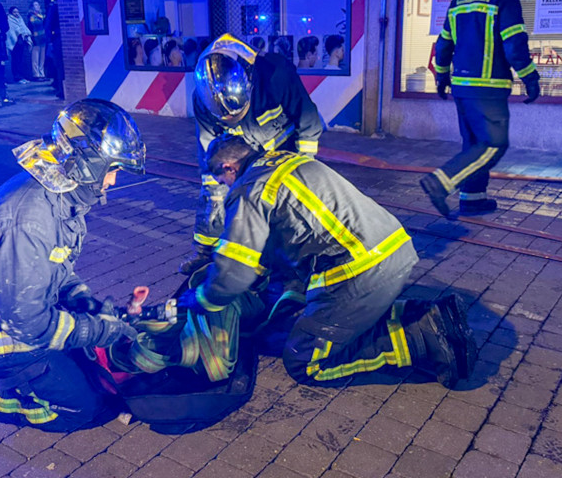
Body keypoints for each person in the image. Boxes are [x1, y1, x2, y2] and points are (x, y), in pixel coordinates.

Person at [176, 135, 476, 387]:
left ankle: (422, 339)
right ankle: (429, 316)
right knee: (329, 311)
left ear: (229, 168)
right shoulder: (285, 160)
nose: (226, 187)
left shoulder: (247, 190)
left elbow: (233, 274)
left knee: (305, 361)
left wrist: (202, 298)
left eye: (222, 180)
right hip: (393, 249)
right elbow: (282, 234)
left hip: (361, 269)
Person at [0, 99, 147, 431]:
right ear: (87, 166)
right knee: (80, 409)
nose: (112, 181)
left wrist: (92, 307)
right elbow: (26, 322)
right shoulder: (32, 218)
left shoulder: (53, 196)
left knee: (82, 369)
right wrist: (97, 330)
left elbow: (55, 272)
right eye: (112, 169)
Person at [179, 33, 323, 275]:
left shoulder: (275, 74)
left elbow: (308, 120)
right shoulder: (203, 99)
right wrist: (214, 183)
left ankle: (292, 263)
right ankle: (205, 252)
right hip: (246, 150)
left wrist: (303, 165)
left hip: (285, 148)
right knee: (215, 192)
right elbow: (208, 146)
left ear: (249, 81)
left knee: (284, 202)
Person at [420, 0, 540, 217]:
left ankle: (472, 199)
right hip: (487, 88)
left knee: (474, 143)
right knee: (493, 144)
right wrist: (530, 78)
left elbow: (443, 45)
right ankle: (440, 182)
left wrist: (441, 77)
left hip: (461, 87)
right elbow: (514, 46)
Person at [44, 0, 64, 99]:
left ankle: (62, 91)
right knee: (60, 66)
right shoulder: (58, 7)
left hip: (57, 40)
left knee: (60, 67)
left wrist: (50, 41)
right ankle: (62, 90)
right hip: (59, 39)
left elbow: (48, 26)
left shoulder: (54, 8)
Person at [6, 6, 33, 84]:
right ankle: (17, 77)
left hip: (21, 42)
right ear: (11, 12)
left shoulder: (20, 19)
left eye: (17, 12)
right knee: (16, 60)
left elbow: (24, 28)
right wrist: (19, 32)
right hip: (15, 43)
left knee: (21, 59)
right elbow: (11, 31)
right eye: (14, 12)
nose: (16, 13)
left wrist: (26, 34)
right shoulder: (9, 19)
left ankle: (21, 76)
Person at [27, 1, 47, 80]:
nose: (37, 6)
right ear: (32, 7)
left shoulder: (42, 15)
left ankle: (42, 73)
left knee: (42, 56)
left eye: (38, 4)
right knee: (35, 56)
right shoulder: (31, 15)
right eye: (35, 5)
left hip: (43, 37)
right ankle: (36, 74)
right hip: (35, 37)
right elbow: (33, 24)